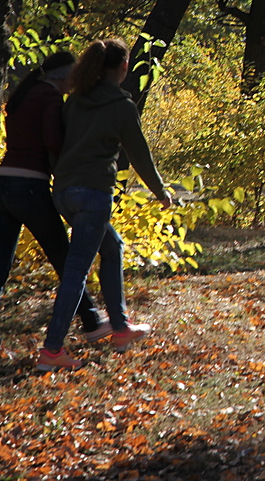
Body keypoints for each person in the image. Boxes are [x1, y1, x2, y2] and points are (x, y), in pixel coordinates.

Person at [37, 38, 172, 371]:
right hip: (94, 193)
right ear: (124, 67)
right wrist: (160, 191)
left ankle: (121, 329)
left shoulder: (75, 101)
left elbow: (56, 145)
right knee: (76, 271)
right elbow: (139, 154)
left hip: (65, 193)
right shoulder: (122, 106)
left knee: (112, 247)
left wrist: (62, 175)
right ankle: (51, 350)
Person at [0, 51, 111, 360]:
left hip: (2, 187)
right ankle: (92, 321)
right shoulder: (50, 97)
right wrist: (74, 161)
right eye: (72, 80)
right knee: (64, 258)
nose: (73, 86)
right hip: (30, 188)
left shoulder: (24, 95)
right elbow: (52, 140)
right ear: (63, 78)